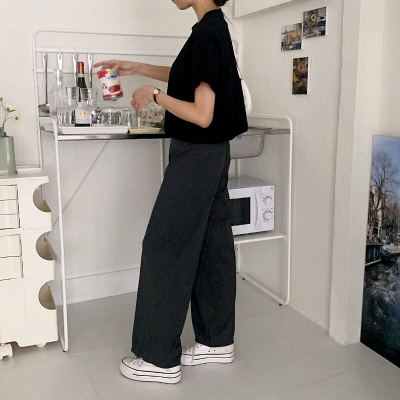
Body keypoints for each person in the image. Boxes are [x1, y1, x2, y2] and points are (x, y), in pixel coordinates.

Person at [94, 0, 248, 384]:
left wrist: (155, 96)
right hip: (214, 153)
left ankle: (159, 358)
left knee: (165, 245)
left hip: (197, 154)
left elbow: (202, 115)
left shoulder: (207, 33)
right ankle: (216, 340)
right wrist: (135, 68)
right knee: (212, 246)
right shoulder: (213, 28)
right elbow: (189, 76)